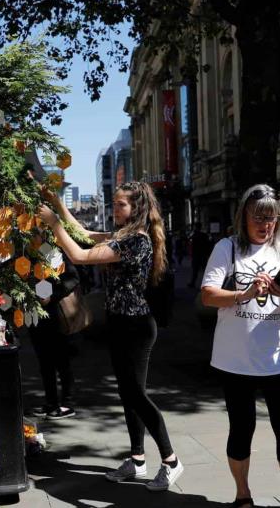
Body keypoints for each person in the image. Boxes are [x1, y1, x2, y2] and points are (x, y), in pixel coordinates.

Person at [38, 181, 183, 491]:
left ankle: (171, 460)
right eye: (115, 203)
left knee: (136, 396)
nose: (116, 209)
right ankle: (137, 459)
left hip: (136, 328)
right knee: (128, 394)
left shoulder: (135, 242)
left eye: (121, 205)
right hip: (121, 324)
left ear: (137, 208)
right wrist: (58, 203)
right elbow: (83, 234)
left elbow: (78, 255)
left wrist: (52, 223)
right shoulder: (123, 236)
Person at [200, 185, 280, 508]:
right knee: (242, 428)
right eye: (259, 217)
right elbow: (208, 295)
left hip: (277, 357)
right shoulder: (228, 248)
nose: (266, 224)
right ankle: (242, 493)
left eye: (272, 217)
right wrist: (245, 293)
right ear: (244, 217)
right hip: (235, 358)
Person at [29, 256, 80, 420]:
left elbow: (73, 279)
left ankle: (68, 403)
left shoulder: (54, 252)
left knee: (61, 359)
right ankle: (51, 402)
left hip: (55, 314)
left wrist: (52, 295)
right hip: (35, 315)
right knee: (44, 363)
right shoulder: (26, 252)